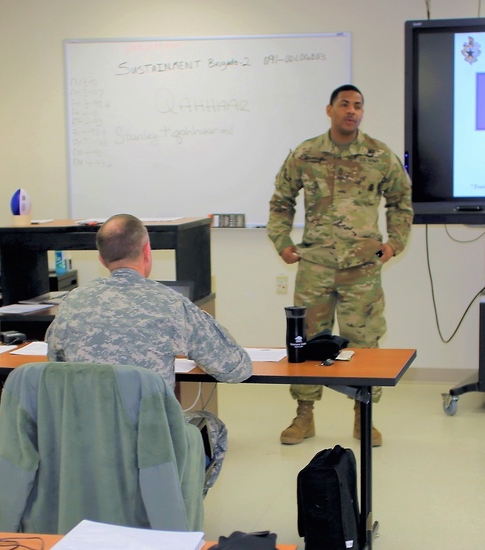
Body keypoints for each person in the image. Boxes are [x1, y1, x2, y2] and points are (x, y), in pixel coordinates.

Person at [45, 213, 253, 486]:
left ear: (101, 259)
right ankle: (173, 509)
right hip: (151, 444)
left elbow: (55, 362)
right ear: (146, 251)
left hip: (85, 439)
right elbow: (237, 368)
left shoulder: (71, 303)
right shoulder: (169, 304)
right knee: (213, 429)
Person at [267, 84, 413, 447]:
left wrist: (394, 243)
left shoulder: (379, 155)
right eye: (344, 104)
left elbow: (401, 201)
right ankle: (304, 415)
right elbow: (281, 201)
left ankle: (363, 416)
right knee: (305, 344)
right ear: (329, 110)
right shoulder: (306, 153)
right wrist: (282, 242)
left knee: (364, 343)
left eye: (358, 105)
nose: (352, 110)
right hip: (315, 264)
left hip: (362, 268)